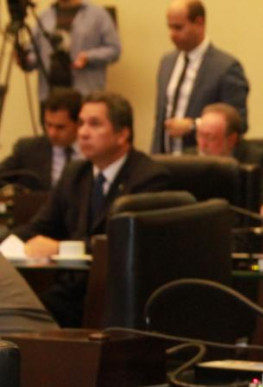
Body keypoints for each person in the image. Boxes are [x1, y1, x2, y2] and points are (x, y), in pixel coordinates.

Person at [14, 91, 170, 326]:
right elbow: (38, 227)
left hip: (118, 296)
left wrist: (60, 248)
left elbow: (124, 244)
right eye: (81, 123)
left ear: (122, 134)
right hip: (71, 292)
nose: (83, 133)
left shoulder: (149, 177)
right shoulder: (75, 173)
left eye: (95, 124)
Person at [152, 0, 250, 155]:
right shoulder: (167, 63)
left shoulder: (225, 68)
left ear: (199, 22)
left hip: (201, 161)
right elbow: (160, 119)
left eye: (178, 27)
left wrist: (195, 126)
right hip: (166, 159)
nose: (172, 34)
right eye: (169, 27)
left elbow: (239, 124)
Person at [18, 0, 120, 102]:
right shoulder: (44, 16)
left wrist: (89, 57)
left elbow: (114, 49)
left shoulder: (98, 15)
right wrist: (25, 59)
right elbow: (35, 53)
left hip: (85, 95)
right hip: (50, 96)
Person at [0, 88, 83, 190]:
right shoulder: (28, 150)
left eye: (60, 127)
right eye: (48, 125)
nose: (52, 133)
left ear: (78, 124)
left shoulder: (93, 150)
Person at [193, 103, 263, 203]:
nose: (202, 144)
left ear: (231, 140)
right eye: (199, 135)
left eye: (210, 137)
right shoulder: (188, 158)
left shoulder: (257, 159)